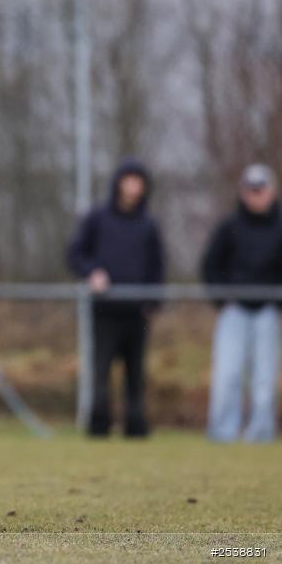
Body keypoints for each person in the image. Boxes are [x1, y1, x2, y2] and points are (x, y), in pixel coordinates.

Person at [67, 159, 165, 437]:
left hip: (137, 312)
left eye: (138, 182)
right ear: (119, 183)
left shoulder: (148, 225)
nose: (133, 187)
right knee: (101, 371)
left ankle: (136, 427)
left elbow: (157, 266)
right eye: (128, 180)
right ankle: (99, 426)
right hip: (104, 311)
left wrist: (154, 302)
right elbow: (75, 253)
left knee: (136, 374)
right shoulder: (98, 218)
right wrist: (92, 273)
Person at [201, 163, 282, 442]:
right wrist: (221, 299)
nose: (256, 195)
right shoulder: (230, 226)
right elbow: (210, 265)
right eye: (251, 190)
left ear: (272, 192)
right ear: (243, 192)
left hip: (268, 312)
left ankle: (261, 433)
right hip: (234, 311)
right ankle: (223, 432)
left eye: (261, 189)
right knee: (228, 374)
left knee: (264, 379)